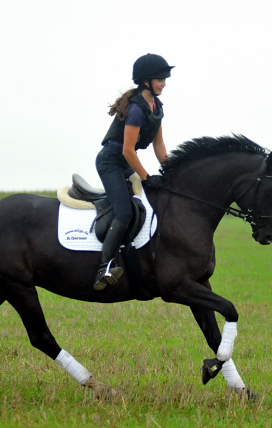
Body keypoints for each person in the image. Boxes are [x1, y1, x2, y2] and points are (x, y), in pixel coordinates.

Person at [93, 53, 173, 290]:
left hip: (124, 161)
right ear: (146, 81)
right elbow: (128, 151)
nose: (164, 83)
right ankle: (104, 267)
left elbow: (158, 144)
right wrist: (147, 177)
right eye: (160, 79)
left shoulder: (156, 106)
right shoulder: (137, 109)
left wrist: (169, 170)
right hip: (110, 162)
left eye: (165, 79)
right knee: (125, 212)